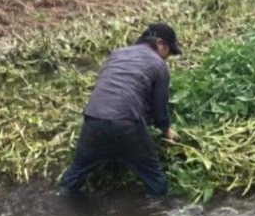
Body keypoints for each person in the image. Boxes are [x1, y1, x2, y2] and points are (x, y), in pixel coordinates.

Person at [60, 22, 182, 197]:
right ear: (160, 43)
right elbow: (159, 107)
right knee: (157, 185)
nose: (167, 57)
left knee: (73, 178)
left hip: (93, 118)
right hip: (127, 123)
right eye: (169, 51)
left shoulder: (117, 54)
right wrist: (165, 130)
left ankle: (63, 205)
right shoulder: (158, 64)